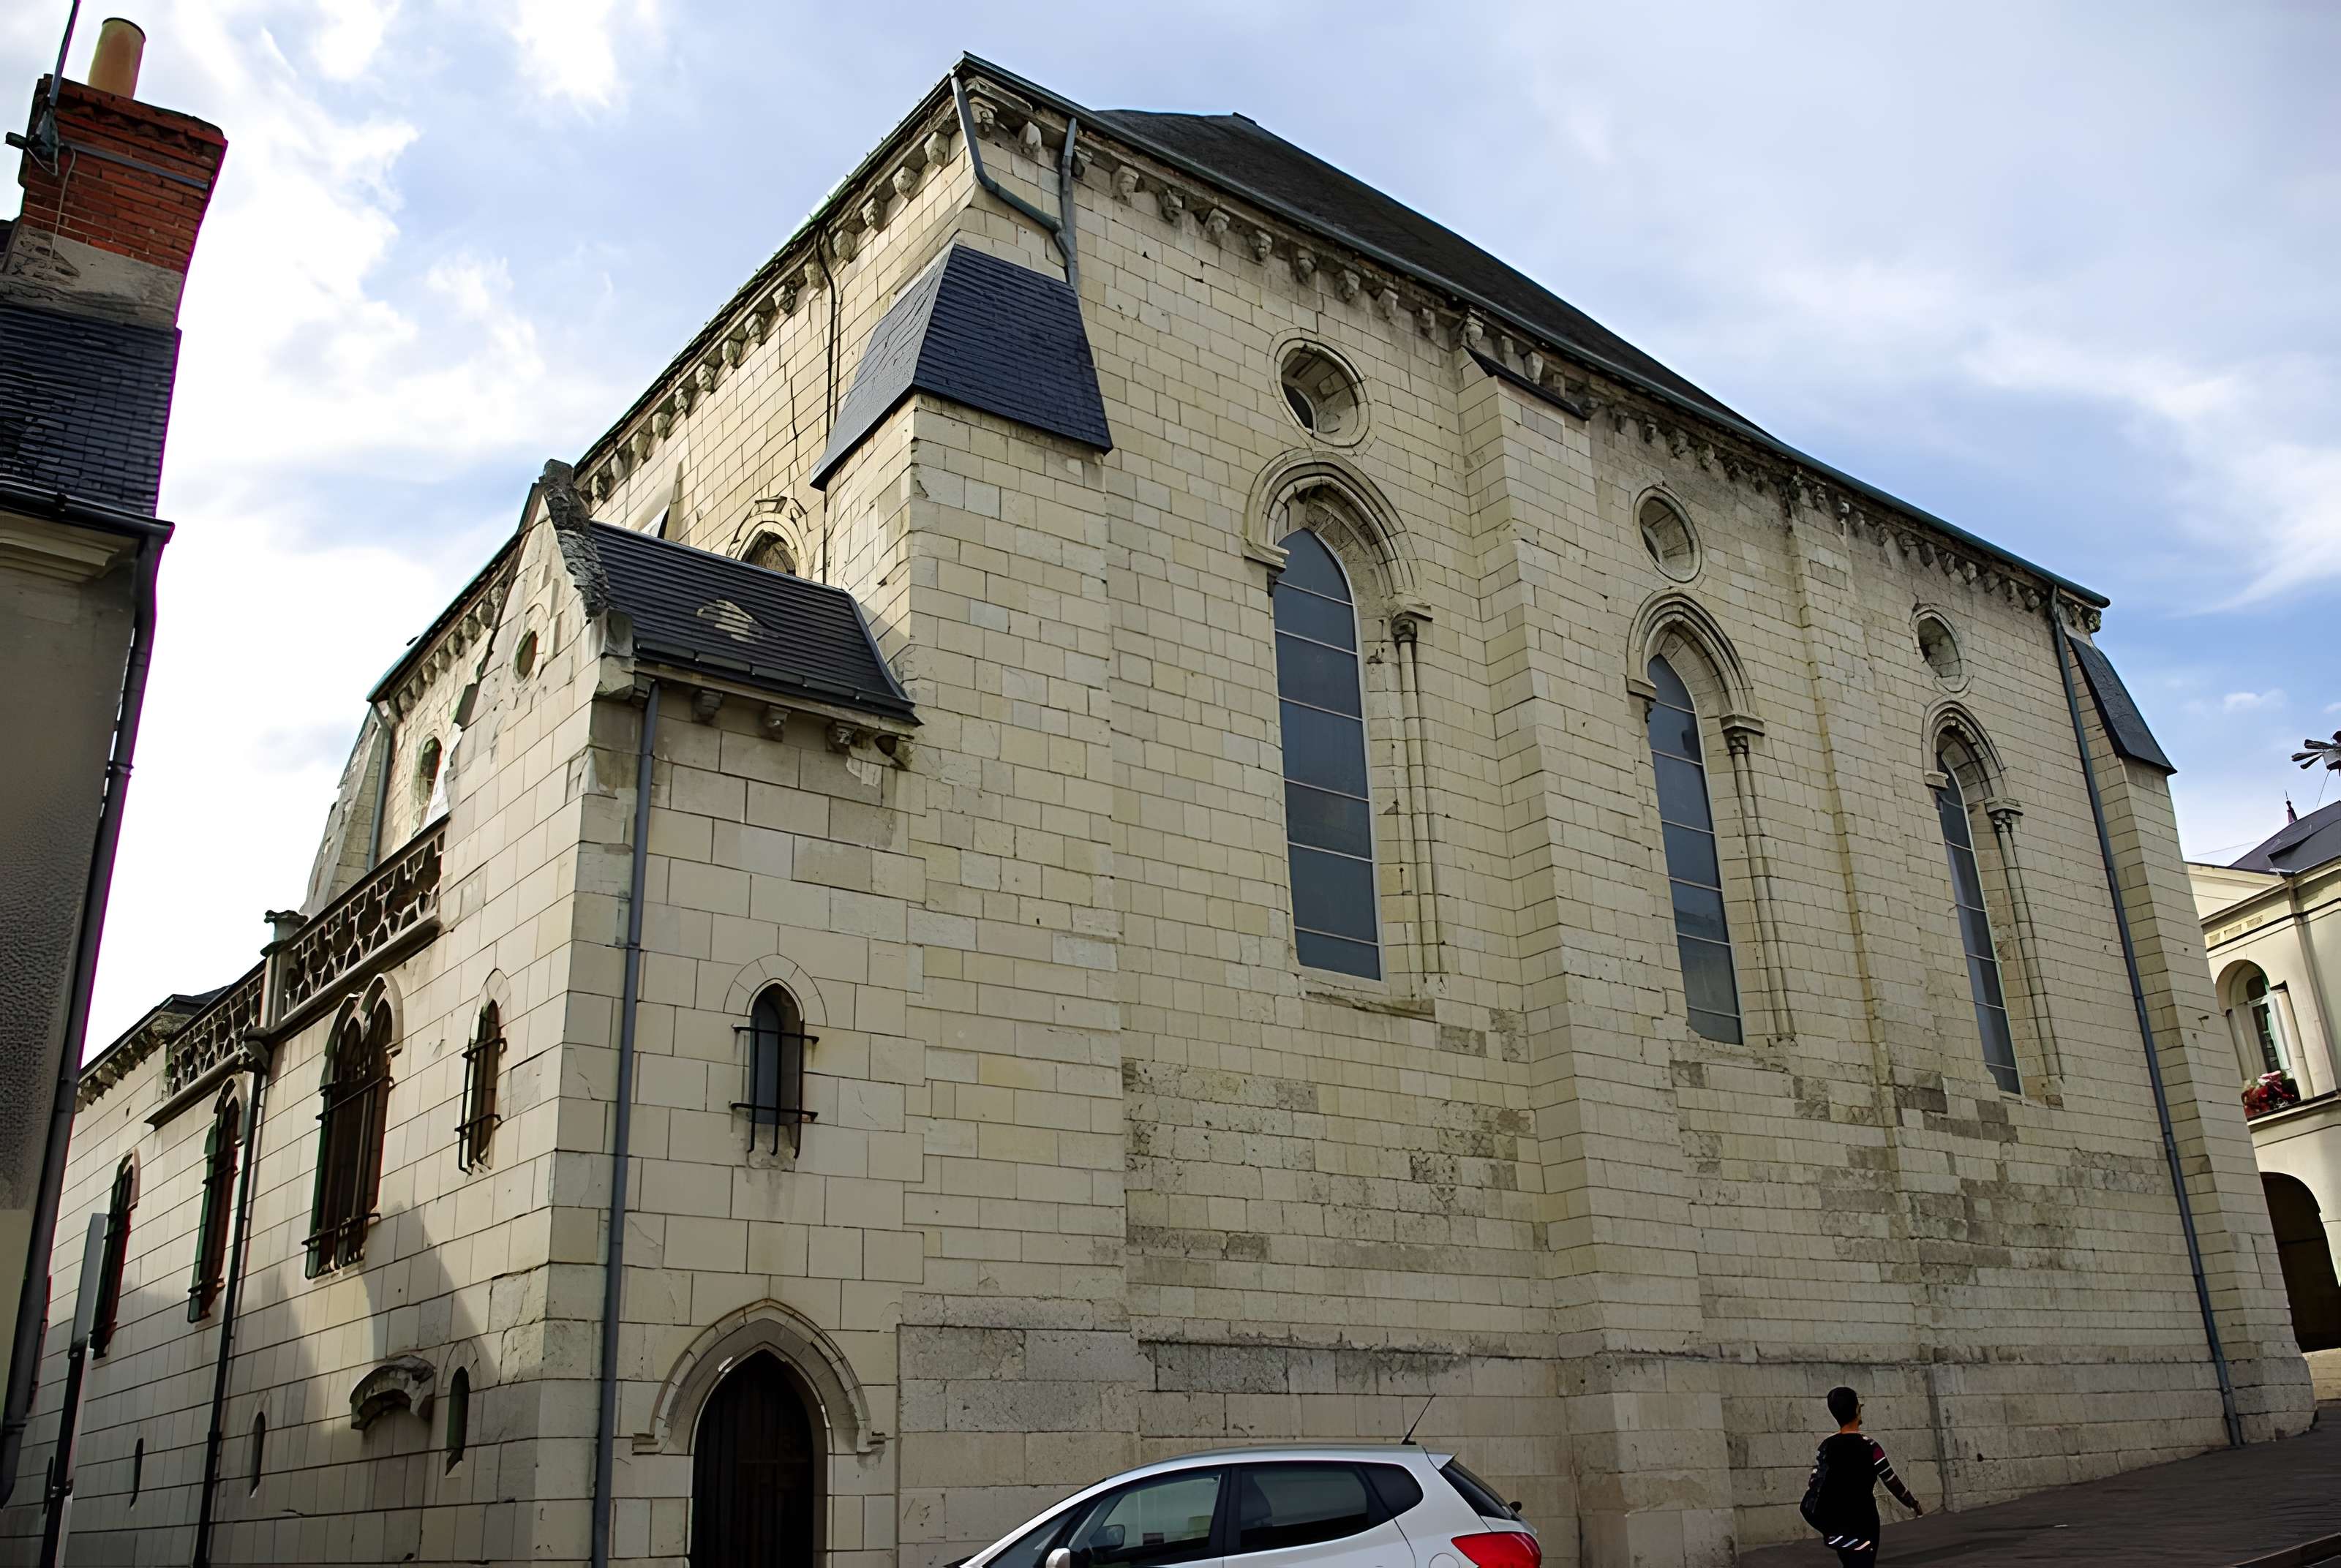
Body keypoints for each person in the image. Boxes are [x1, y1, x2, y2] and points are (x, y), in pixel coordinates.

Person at [1805, 1386, 1923, 1567]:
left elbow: (1814, 1482)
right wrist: (1911, 1502)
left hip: (1838, 1528)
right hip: (1864, 1524)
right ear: (1857, 1410)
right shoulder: (1870, 1447)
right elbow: (1891, 1480)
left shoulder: (1826, 1446)